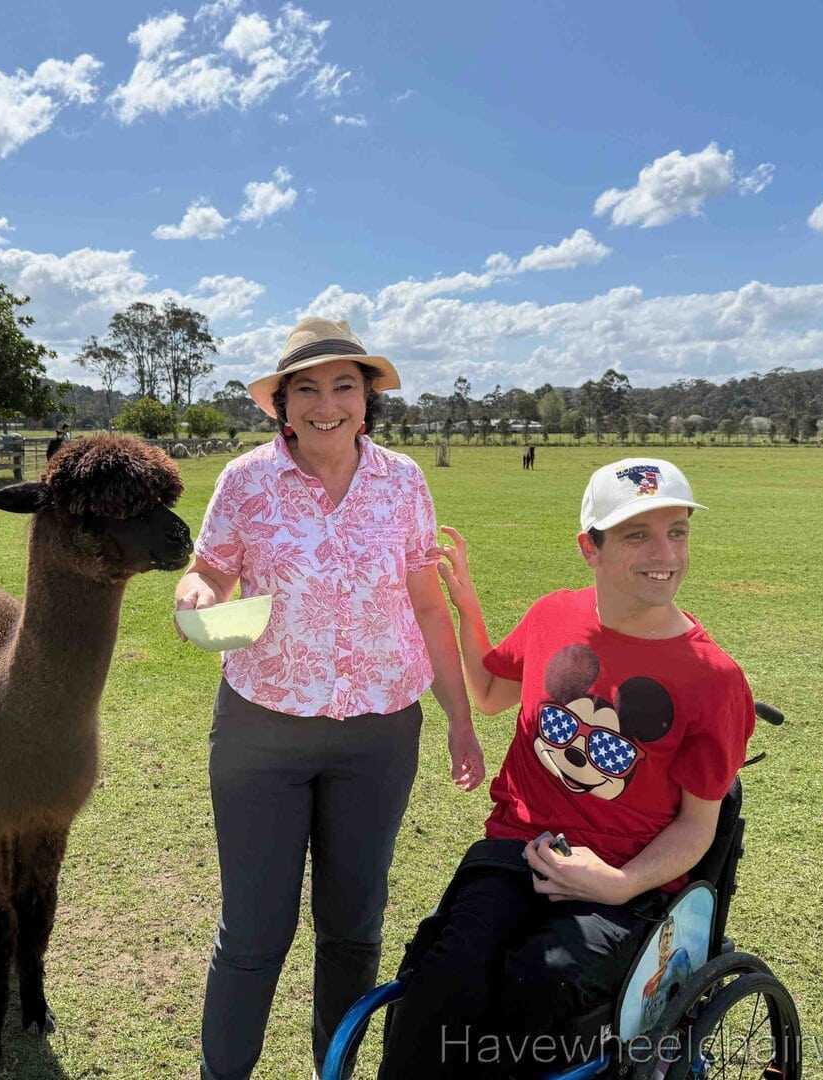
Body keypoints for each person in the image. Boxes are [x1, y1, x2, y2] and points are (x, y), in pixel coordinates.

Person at [174, 316, 486, 1080]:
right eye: (305, 388)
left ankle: (334, 1072)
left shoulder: (403, 481)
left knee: (353, 929)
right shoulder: (245, 482)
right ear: (280, 403)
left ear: (367, 397)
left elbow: (424, 604)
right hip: (261, 733)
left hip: (379, 735)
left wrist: (458, 721)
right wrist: (196, 593)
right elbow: (211, 573)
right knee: (253, 931)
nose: (326, 403)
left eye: (344, 385)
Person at [377, 458, 755, 1078]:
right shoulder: (554, 614)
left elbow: (697, 827)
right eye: (637, 534)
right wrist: (469, 607)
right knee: (443, 975)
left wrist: (621, 882)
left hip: (621, 885)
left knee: (539, 983)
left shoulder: (714, 679)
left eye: (677, 531)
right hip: (516, 849)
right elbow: (493, 693)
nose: (665, 553)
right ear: (591, 549)